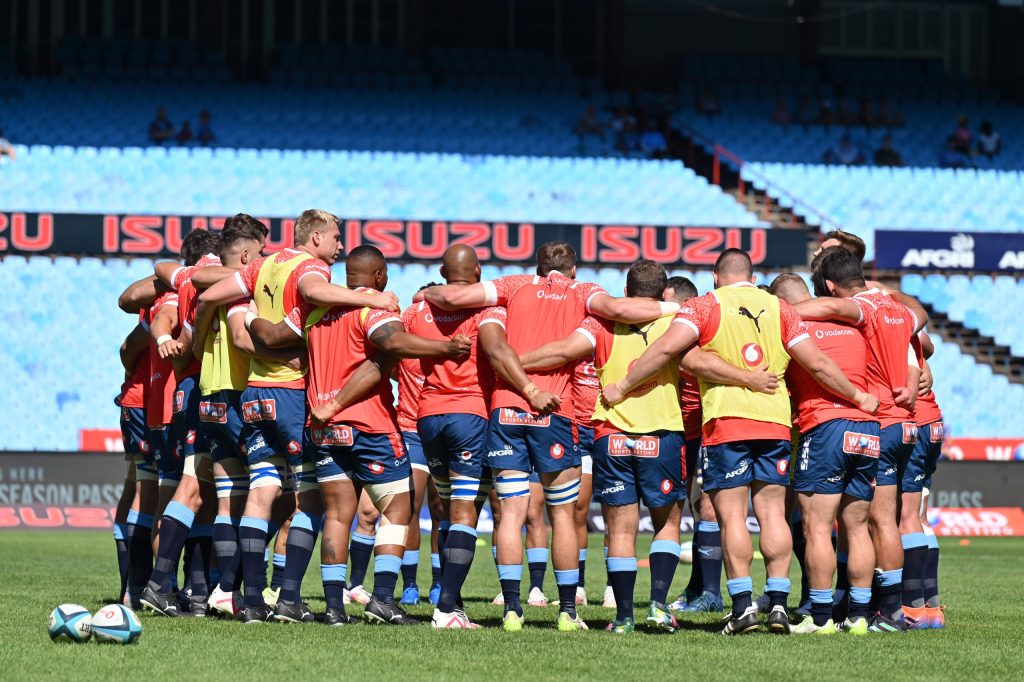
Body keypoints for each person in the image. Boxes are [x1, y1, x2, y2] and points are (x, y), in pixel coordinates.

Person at [602, 249, 878, 636]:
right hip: (776, 423)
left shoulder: (704, 305)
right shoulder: (780, 308)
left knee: (732, 517)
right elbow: (815, 362)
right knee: (772, 515)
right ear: (751, 274)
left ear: (716, 275)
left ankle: (743, 607)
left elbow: (669, 350)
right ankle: (779, 604)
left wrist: (624, 385)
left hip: (727, 423)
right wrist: (857, 395)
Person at [423, 241, 678, 632]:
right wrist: (676, 307)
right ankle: (566, 612)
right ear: (573, 269)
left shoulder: (514, 285)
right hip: (554, 409)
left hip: (505, 406)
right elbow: (622, 309)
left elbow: (452, 294)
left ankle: (511, 610)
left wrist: (425, 294)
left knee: (510, 512)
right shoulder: (584, 291)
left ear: (538, 266)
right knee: (561, 514)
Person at [519, 260, 781, 634]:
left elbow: (561, 351)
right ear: (662, 296)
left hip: (611, 435)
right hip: (662, 434)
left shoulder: (601, 324)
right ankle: (657, 606)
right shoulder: (673, 324)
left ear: (626, 293)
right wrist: (748, 378)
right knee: (668, 523)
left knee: (621, 529)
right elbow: (698, 363)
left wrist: (513, 361)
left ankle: (624, 616)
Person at [249, 245, 471, 626]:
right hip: (369, 427)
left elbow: (270, 335)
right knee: (398, 509)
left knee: (334, 514)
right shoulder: (374, 308)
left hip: (322, 426)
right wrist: (445, 347)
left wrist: (249, 315)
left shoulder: (314, 311)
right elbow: (393, 344)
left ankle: (328, 607)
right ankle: (383, 598)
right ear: (380, 276)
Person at [196, 209, 400, 623]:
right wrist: (369, 297)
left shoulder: (264, 265)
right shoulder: (311, 268)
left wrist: (237, 321)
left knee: (262, 490)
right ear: (317, 237)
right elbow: (317, 293)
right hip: (292, 392)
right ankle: (289, 597)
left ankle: (250, 601)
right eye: (337, 238)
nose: (340, 247)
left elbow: (207, 297)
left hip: (254, 393)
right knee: (309, 498)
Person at [795, 247, 927, 633]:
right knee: (878, 522)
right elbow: (921, 322)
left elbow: (821, 311)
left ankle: (886, 614)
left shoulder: (861, 308)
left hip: (878, 418)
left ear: (833, 286)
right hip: (903, 422)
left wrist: (783, 310)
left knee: (876, 521)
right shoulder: (900, 312)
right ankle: (871, 611)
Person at [770, 273, 880, 635]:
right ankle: (860, 616)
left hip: (825, 425)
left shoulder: (791, 326)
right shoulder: (852, 327)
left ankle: (820, 619)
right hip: (867, 429)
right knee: (857, 526)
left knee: (817, 527)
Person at [404, 244, 507, 628]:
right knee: (465, 512)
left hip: (427, 416)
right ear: (478, 272)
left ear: (443, 273)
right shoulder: (489, 310)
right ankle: (446, 608)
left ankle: (454, 604)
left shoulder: (417, 310)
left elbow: (398, 344)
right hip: (470, 416)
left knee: (447, 510)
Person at [141, 228, 224, 617]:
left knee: (201, 495)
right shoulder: (199, 282)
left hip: (191, 393)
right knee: (189, 489)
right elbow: (167, 318)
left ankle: (195, 591)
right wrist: (169, 343)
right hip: (197, 394)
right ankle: (160, 584)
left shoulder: (184, 281)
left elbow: (165, 312)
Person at [663, 276, 725, 615]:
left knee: (708, 507)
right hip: (680, 431)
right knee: (694, 505)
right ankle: (698, 586)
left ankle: (712, 594)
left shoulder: (696, 327)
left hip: (705, 428)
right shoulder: (675, 326)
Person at [114, 311, 159, 609]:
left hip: (146, 401)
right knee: (145, 488)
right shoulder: (164, 297)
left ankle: (133, 587)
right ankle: (135, 586)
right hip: (144, 403)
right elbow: (127, 348)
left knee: (137, 485)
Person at [901, 331, 945, 629]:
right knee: (920, 516)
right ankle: (932, 606)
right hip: (933, 423)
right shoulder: (907, 323)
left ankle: (912, 606)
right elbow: (928, 344)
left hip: (913, 424)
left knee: (903, 516)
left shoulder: (878, 322)